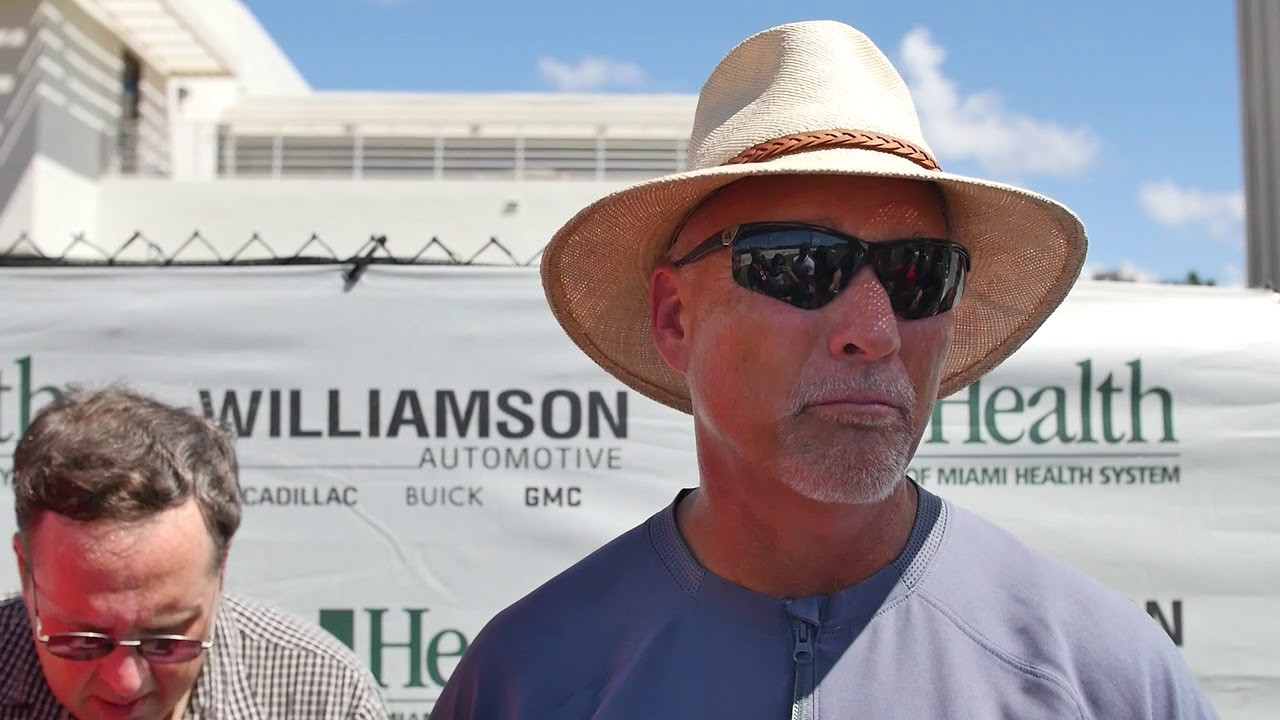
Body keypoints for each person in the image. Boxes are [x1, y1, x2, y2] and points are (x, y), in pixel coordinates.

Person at [431, 20, 1219, 720]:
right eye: (800, 265)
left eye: (919, 272)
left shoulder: (1109, 682)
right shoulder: (526, 681)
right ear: (675, 318)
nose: (873, 332)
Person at [0, 386, 388, 720]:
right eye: (84, 640)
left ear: (220, 570)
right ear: (25, 571)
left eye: (165, 641)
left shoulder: (324, 699)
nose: (125, 684)